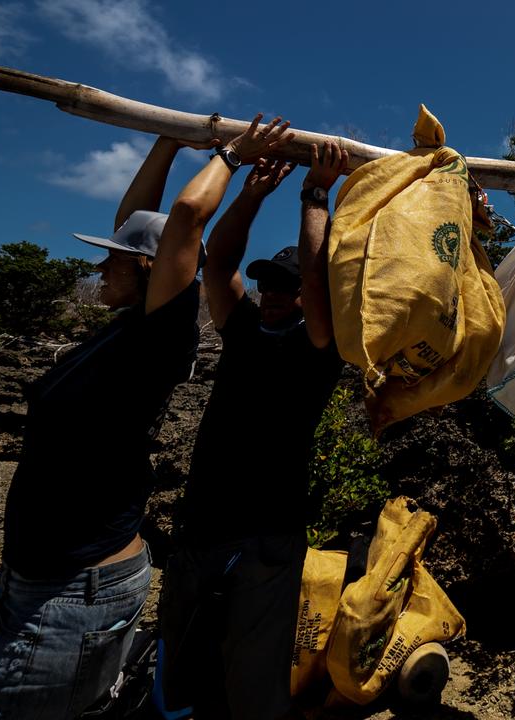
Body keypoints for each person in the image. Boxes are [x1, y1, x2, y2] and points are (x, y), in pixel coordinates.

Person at [0, 114, 290, 719]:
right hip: (40, 578)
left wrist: (232, 157)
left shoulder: (161, 335)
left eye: (115, 261)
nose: (100, 268)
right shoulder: (127, 326)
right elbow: (141, 227)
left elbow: (183, 222)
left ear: (153, 271)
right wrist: (168, 140)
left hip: (75, 590)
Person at [159, 140, 347, 719]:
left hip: (266, 534)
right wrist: (251, 194)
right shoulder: (242, 332)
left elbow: (319, 291)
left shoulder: (319, 345)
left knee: (254, 677)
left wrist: (315, 196)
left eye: (284, 289)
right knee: (183, 662)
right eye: (268, 285)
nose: (272, 296)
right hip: (200, 526)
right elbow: (217, 265)